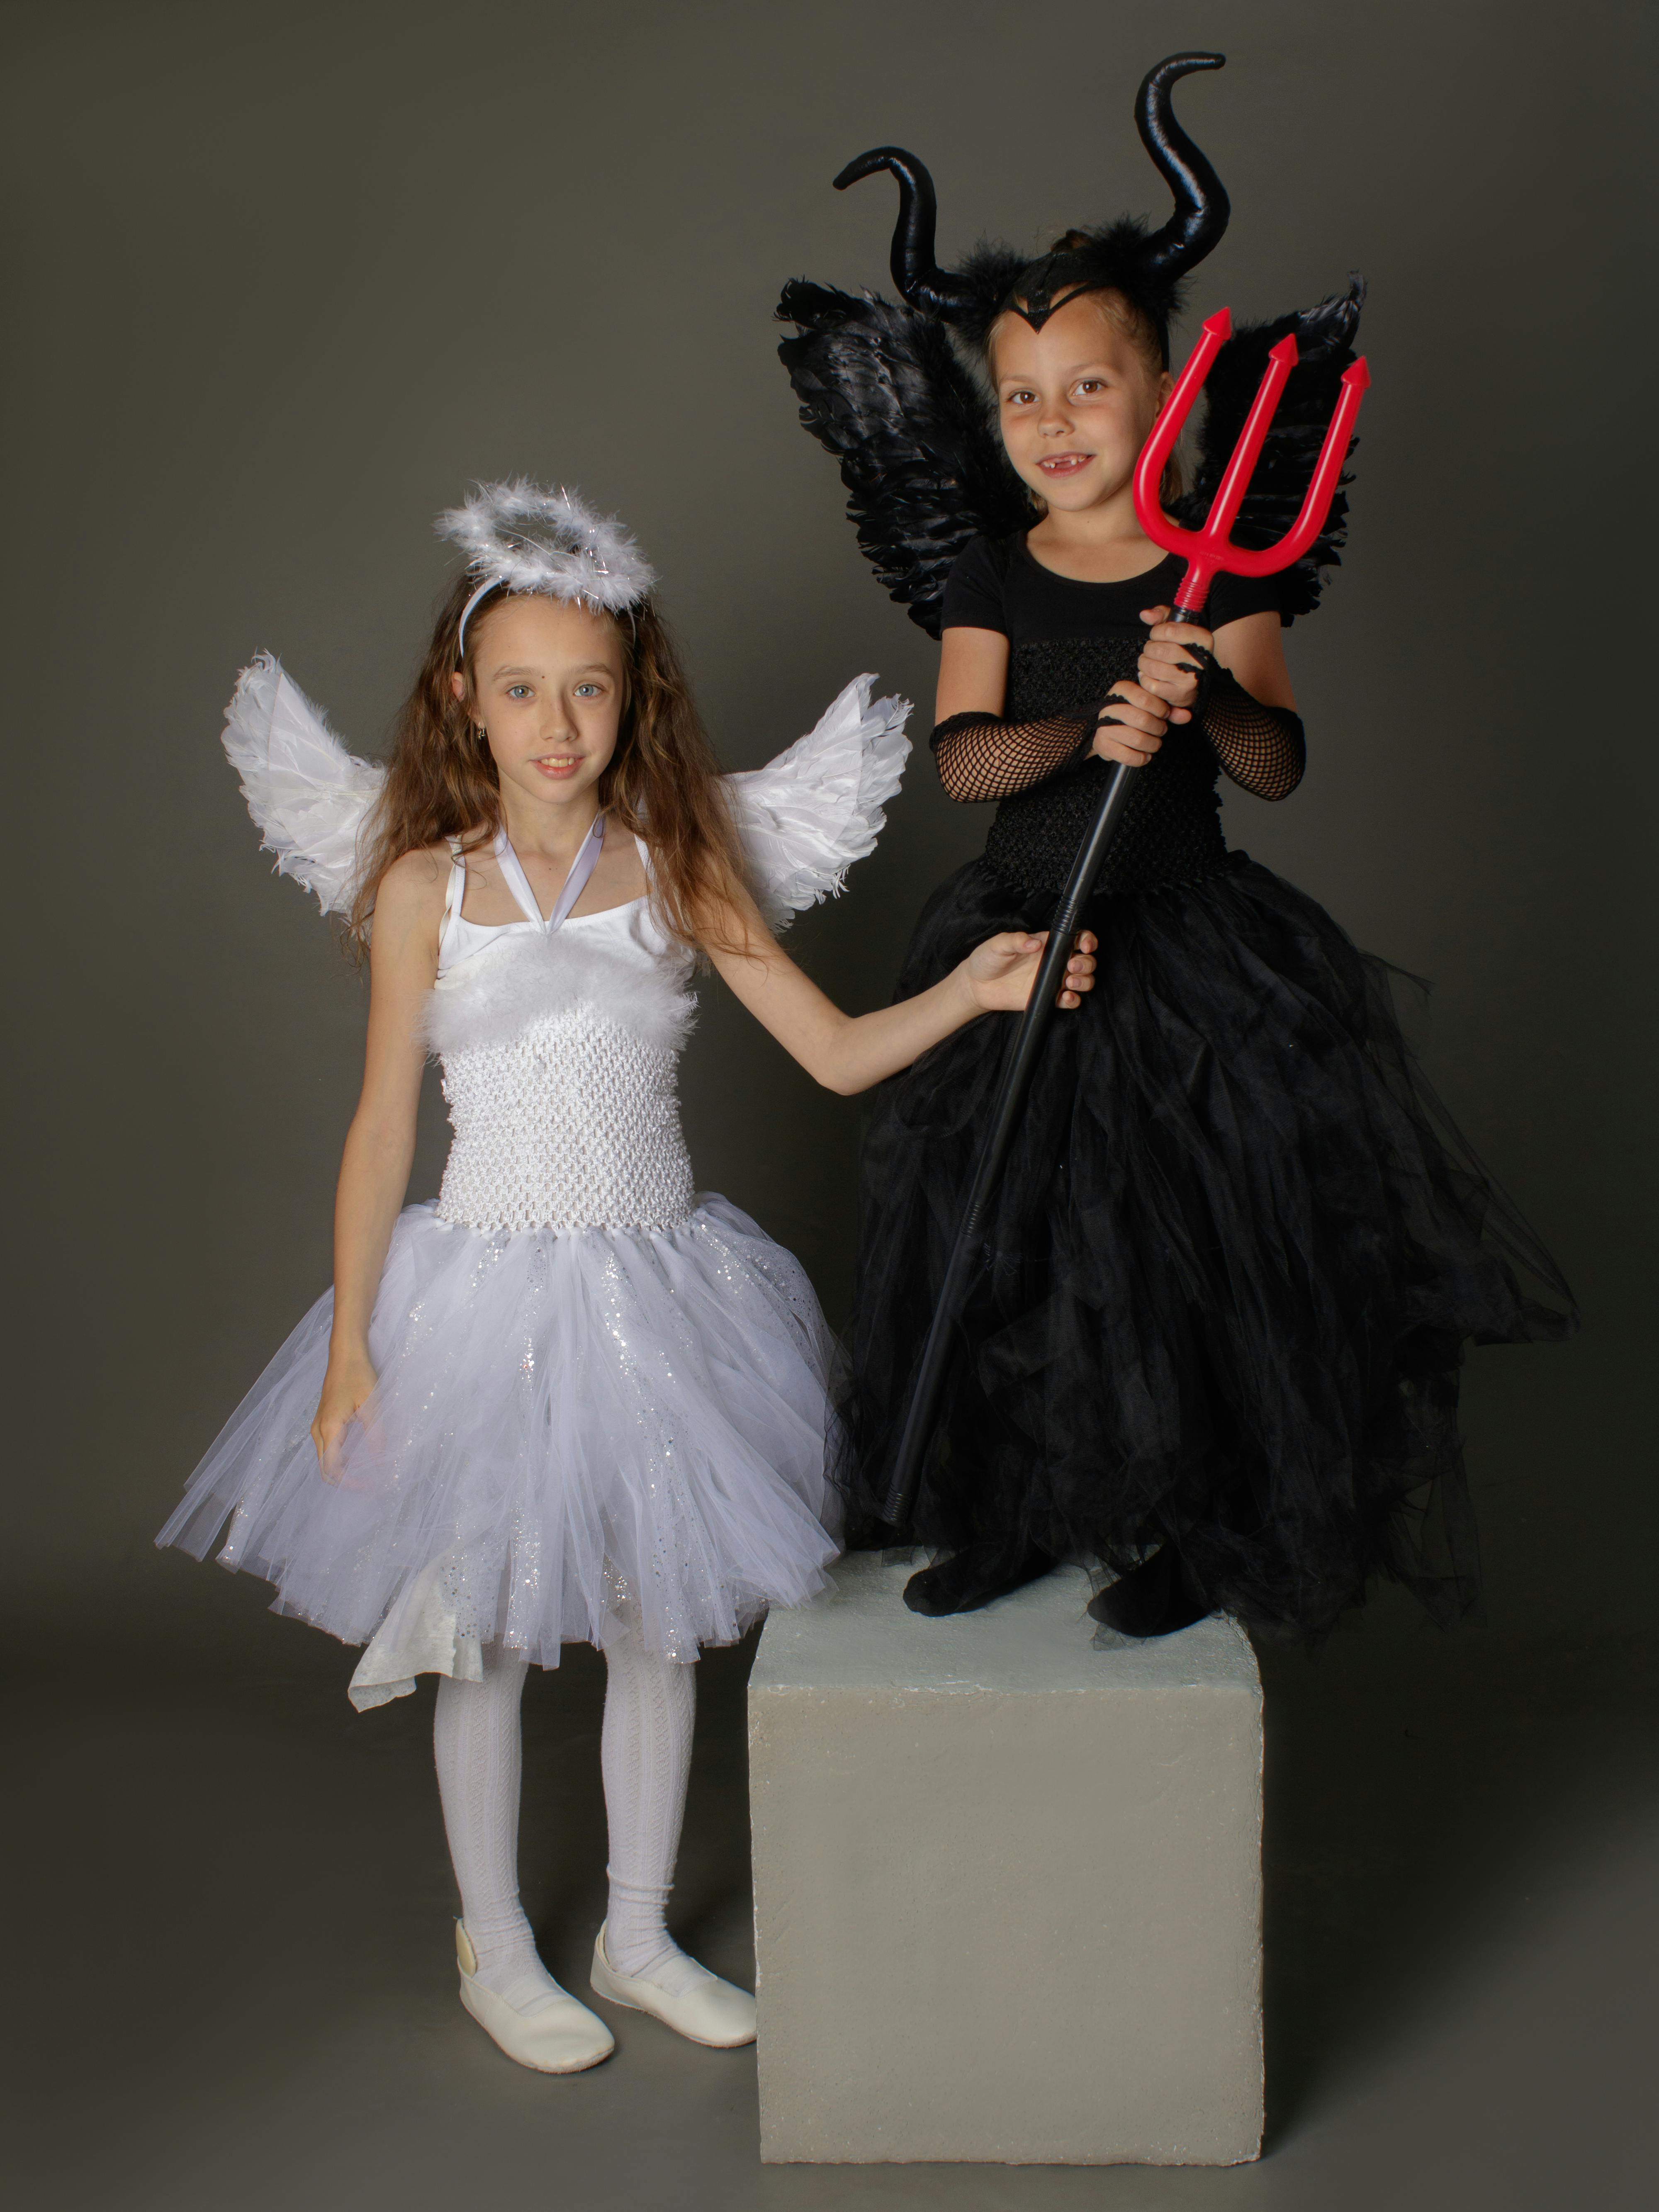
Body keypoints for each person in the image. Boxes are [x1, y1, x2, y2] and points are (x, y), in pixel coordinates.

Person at [157, 481, 1095, 2073]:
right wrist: (352, 1351)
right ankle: (497, 1941)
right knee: (490, 1629)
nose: (555, 721)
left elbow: (835, 1051)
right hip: (482, 1296)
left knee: (662, 1620)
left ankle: (639, 1929)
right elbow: (384, 1126)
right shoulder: (419, 884)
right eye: (520, 687)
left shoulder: (677, 862)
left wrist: (982, 991)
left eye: (588, 688)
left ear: (632, 697)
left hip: (659, 1295)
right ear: (463, 696)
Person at [776, 53, 1575, 1638]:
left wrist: (1200, 689)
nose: (1055, 422)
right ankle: (1002, 1508)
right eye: (1023, 396)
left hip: (1192, 947)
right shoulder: (992, 576)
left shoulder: (1225, 568)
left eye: (1089, 384)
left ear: (1168, 392)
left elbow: (1276, 768)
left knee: (1188, 1258)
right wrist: (1089, 729)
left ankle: (1198, 1530)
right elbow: (965, 759)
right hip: (1021, 936)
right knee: (1005, 1234)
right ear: (993, 422)